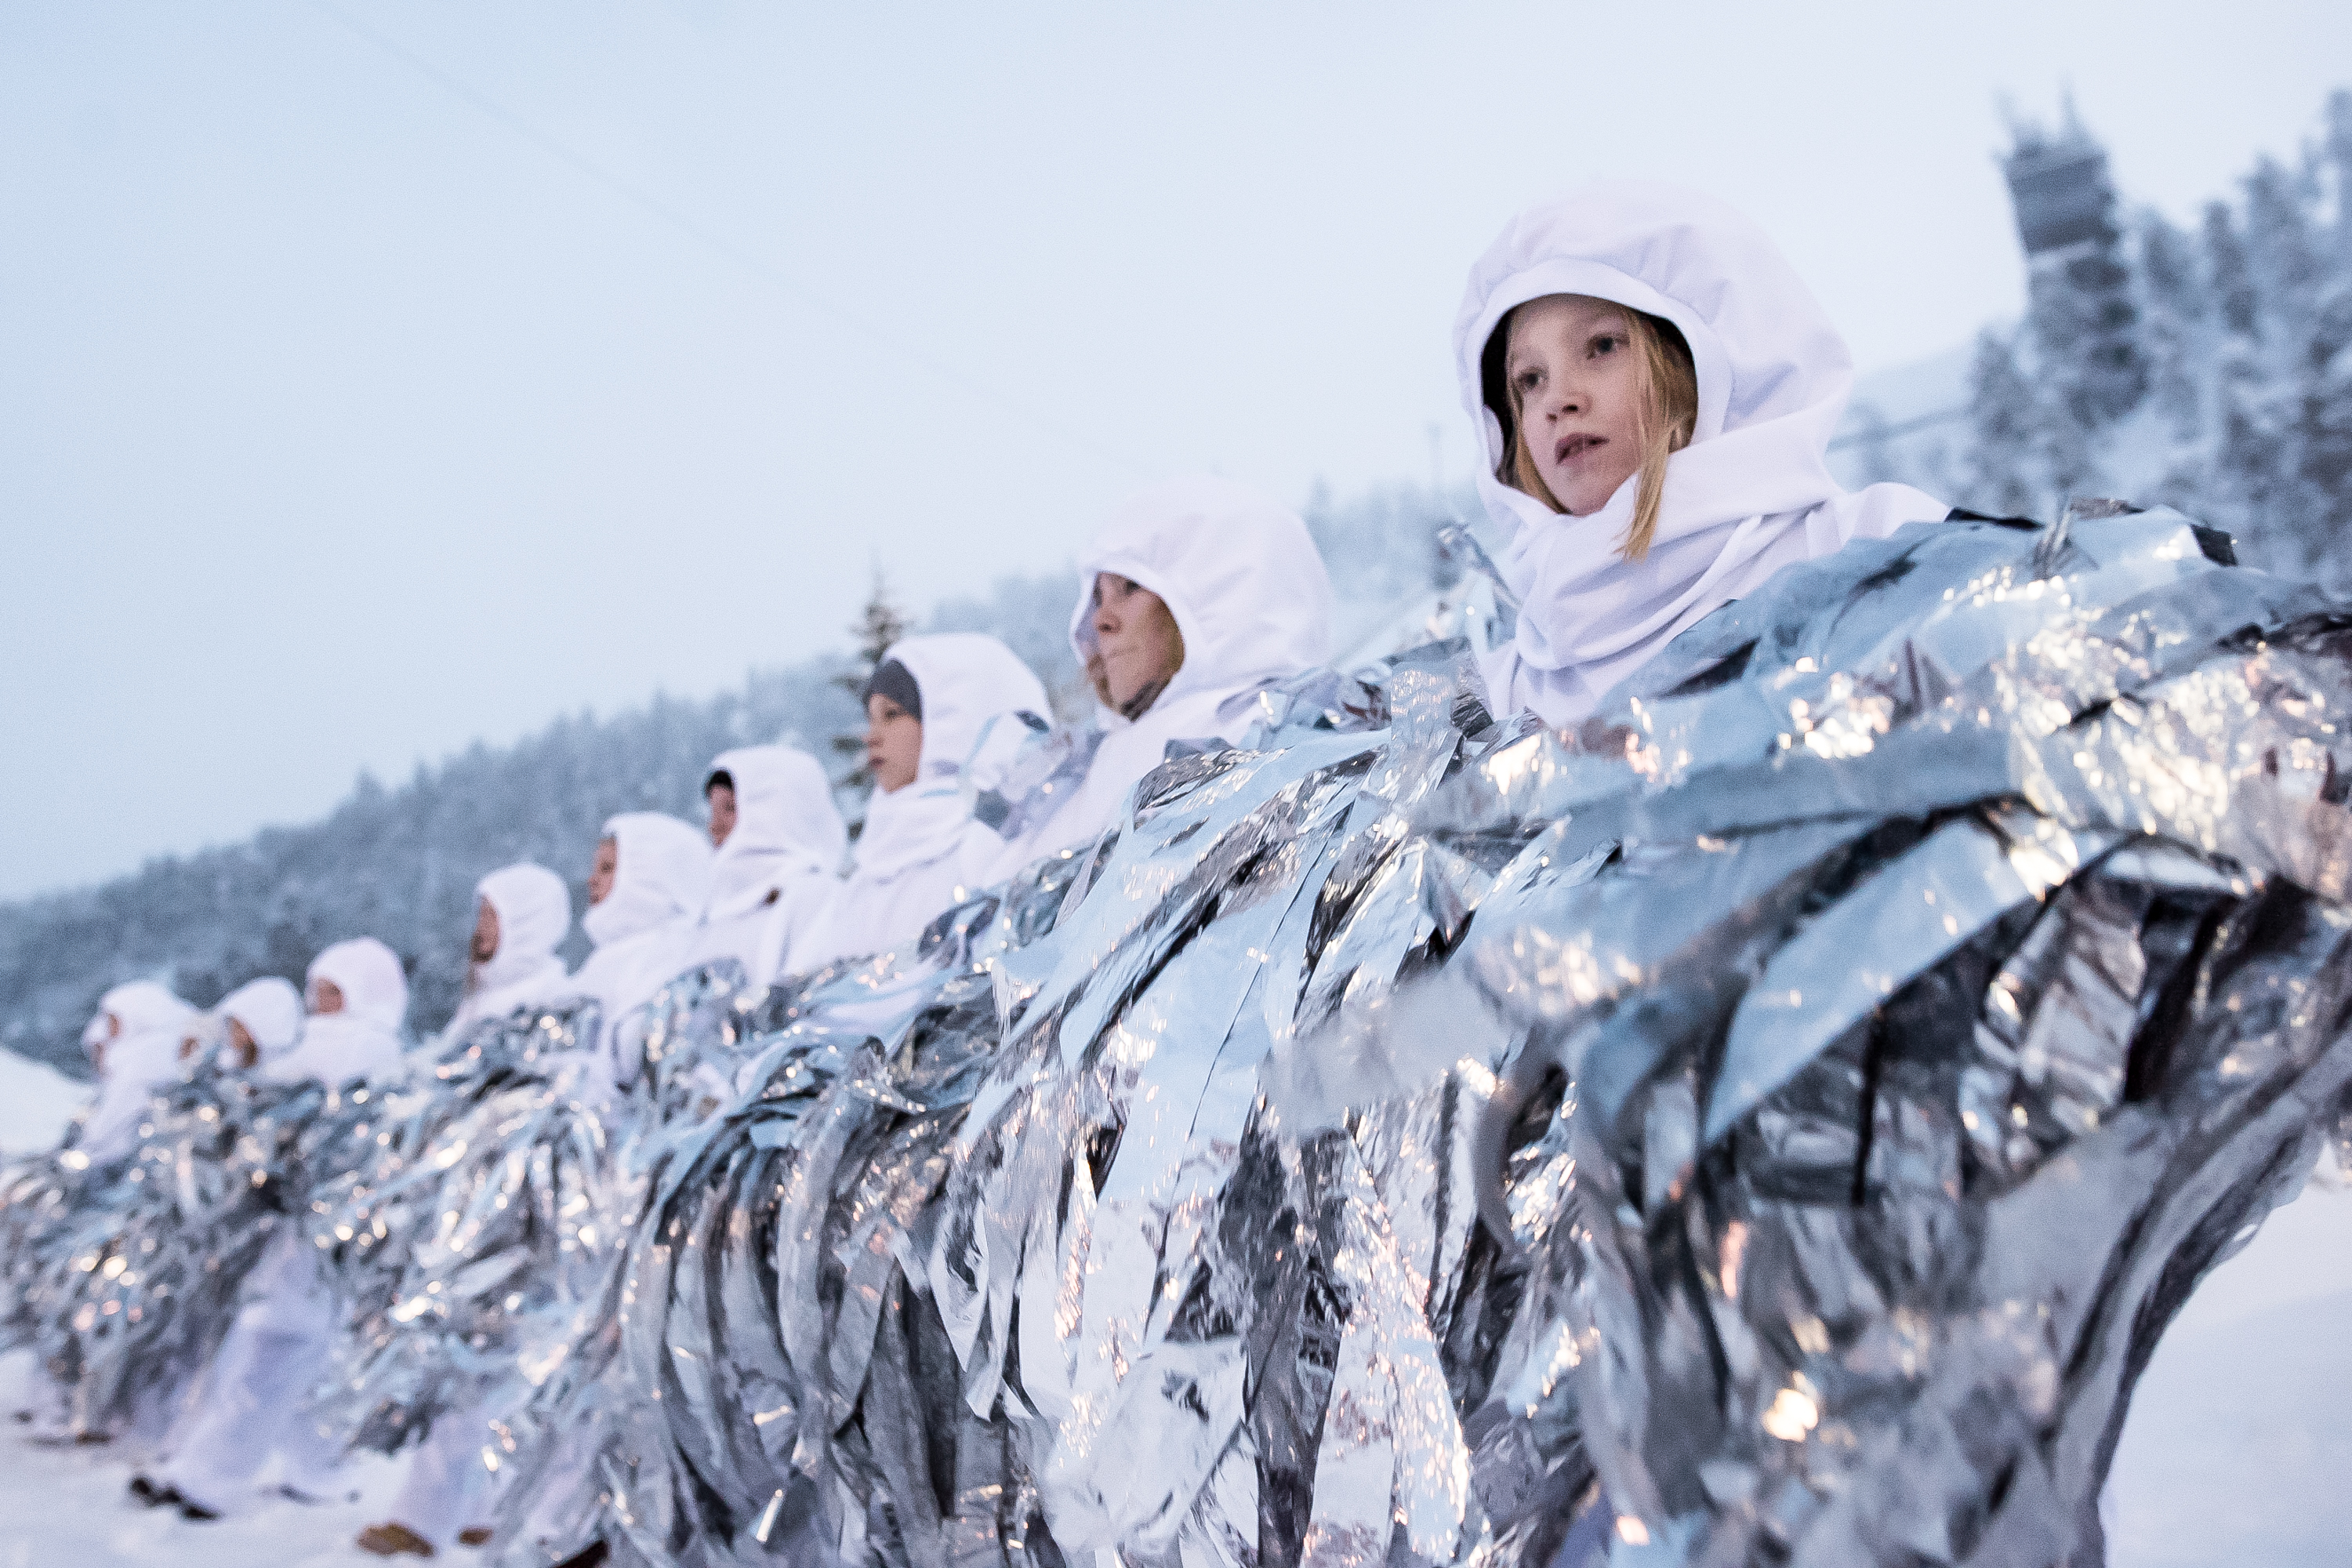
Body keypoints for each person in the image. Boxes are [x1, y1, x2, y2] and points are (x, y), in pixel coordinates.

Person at [1454, 182, 1950, 728]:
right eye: (1529, 379)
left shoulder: (1876, 547)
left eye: (1601, 347)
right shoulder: (1505, 693)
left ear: (1696, 359)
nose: (1557, 400)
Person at [140, 941, 409, 1520]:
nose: (319, 1006)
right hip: (303, 1234)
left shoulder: (364, 1050)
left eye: (333, 992)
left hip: (323, 1237)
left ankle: (211, 1479)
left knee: (275, 1350)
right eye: (316, 992)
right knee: (303, 1355)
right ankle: (321, 1472)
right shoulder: (342, 1051)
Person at [982, 476, 1335, 880]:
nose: (1100, 619)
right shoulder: (1090, 772)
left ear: (1222, 592)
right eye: (1098, 596)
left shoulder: (1277, 750)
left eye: (1131, 587)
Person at [796, 633, 1050, 969]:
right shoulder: (866, 873)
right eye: (871, 718)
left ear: (951, 721)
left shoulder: (995, 844)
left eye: (892, 714)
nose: (871, 736)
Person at [564, 812, 713, 1087]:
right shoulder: (597, 965)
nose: (591, 881)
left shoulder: (681, 954)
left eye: (607, 868)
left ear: (651, 875)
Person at [681, 746, 845, 989]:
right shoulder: (713, 915)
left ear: (778, 810)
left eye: (730, 809)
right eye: (712, 812)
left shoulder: (816, 897)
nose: (713, 826)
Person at [437, 862, 574, 1046]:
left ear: (526, 922)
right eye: (480, 914)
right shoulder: (479, 1001)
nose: (480, 928)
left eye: (492, 915)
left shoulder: (551, 1003)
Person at [75, 981, 200, 1166]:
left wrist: (85, 1150)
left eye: (113, 1020)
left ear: (134, 1016)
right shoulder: (147, 1048)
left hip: (135, 1161)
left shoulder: (142, 1059)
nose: (109, 1029)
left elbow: (112, 1119)